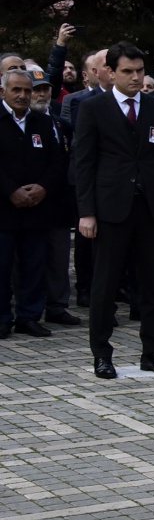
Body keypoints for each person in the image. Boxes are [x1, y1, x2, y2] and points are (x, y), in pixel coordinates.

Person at [73, 42, 154, 378]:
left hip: (150, 208)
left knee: (151, 283)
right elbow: (84, 163)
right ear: (109, 72)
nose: (135, 77)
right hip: (110, 208)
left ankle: (152, 352)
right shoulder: (94, 108)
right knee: (104, 285)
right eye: (127, 71)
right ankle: (102, 354)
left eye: (139, 71)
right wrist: (86, 211)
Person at [0, 68, 70, 338]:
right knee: (2, 267)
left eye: (27, 90)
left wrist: (43, 187)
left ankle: (29, 316)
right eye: (16, 90)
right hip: (4, 209)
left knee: (34, 266)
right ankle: (2, 318)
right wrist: (10, 190)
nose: (22, 95)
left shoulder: (42, 122)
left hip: (37, 209)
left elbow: (57, 160)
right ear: (3, 91)